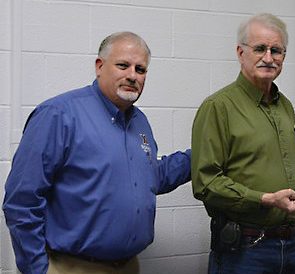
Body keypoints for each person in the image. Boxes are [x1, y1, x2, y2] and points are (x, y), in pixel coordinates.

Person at [3, 32, 191, 274]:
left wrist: (201, 156)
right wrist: (38, 269)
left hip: (129, 265)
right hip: (73, 267)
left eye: (141, 69)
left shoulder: (139, 121)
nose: (132, 75)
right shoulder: (59, 114)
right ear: (99, 66)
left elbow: (152, 177)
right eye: (123, 65)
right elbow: (21, 201)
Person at [191, 13, 295, 274]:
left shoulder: (286, 106)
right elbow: (206, 183)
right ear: (240, 51)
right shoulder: (218, 107)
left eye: (276, 50)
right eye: (259, 49)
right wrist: (266, 199)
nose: (268, 58)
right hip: (247, 249)